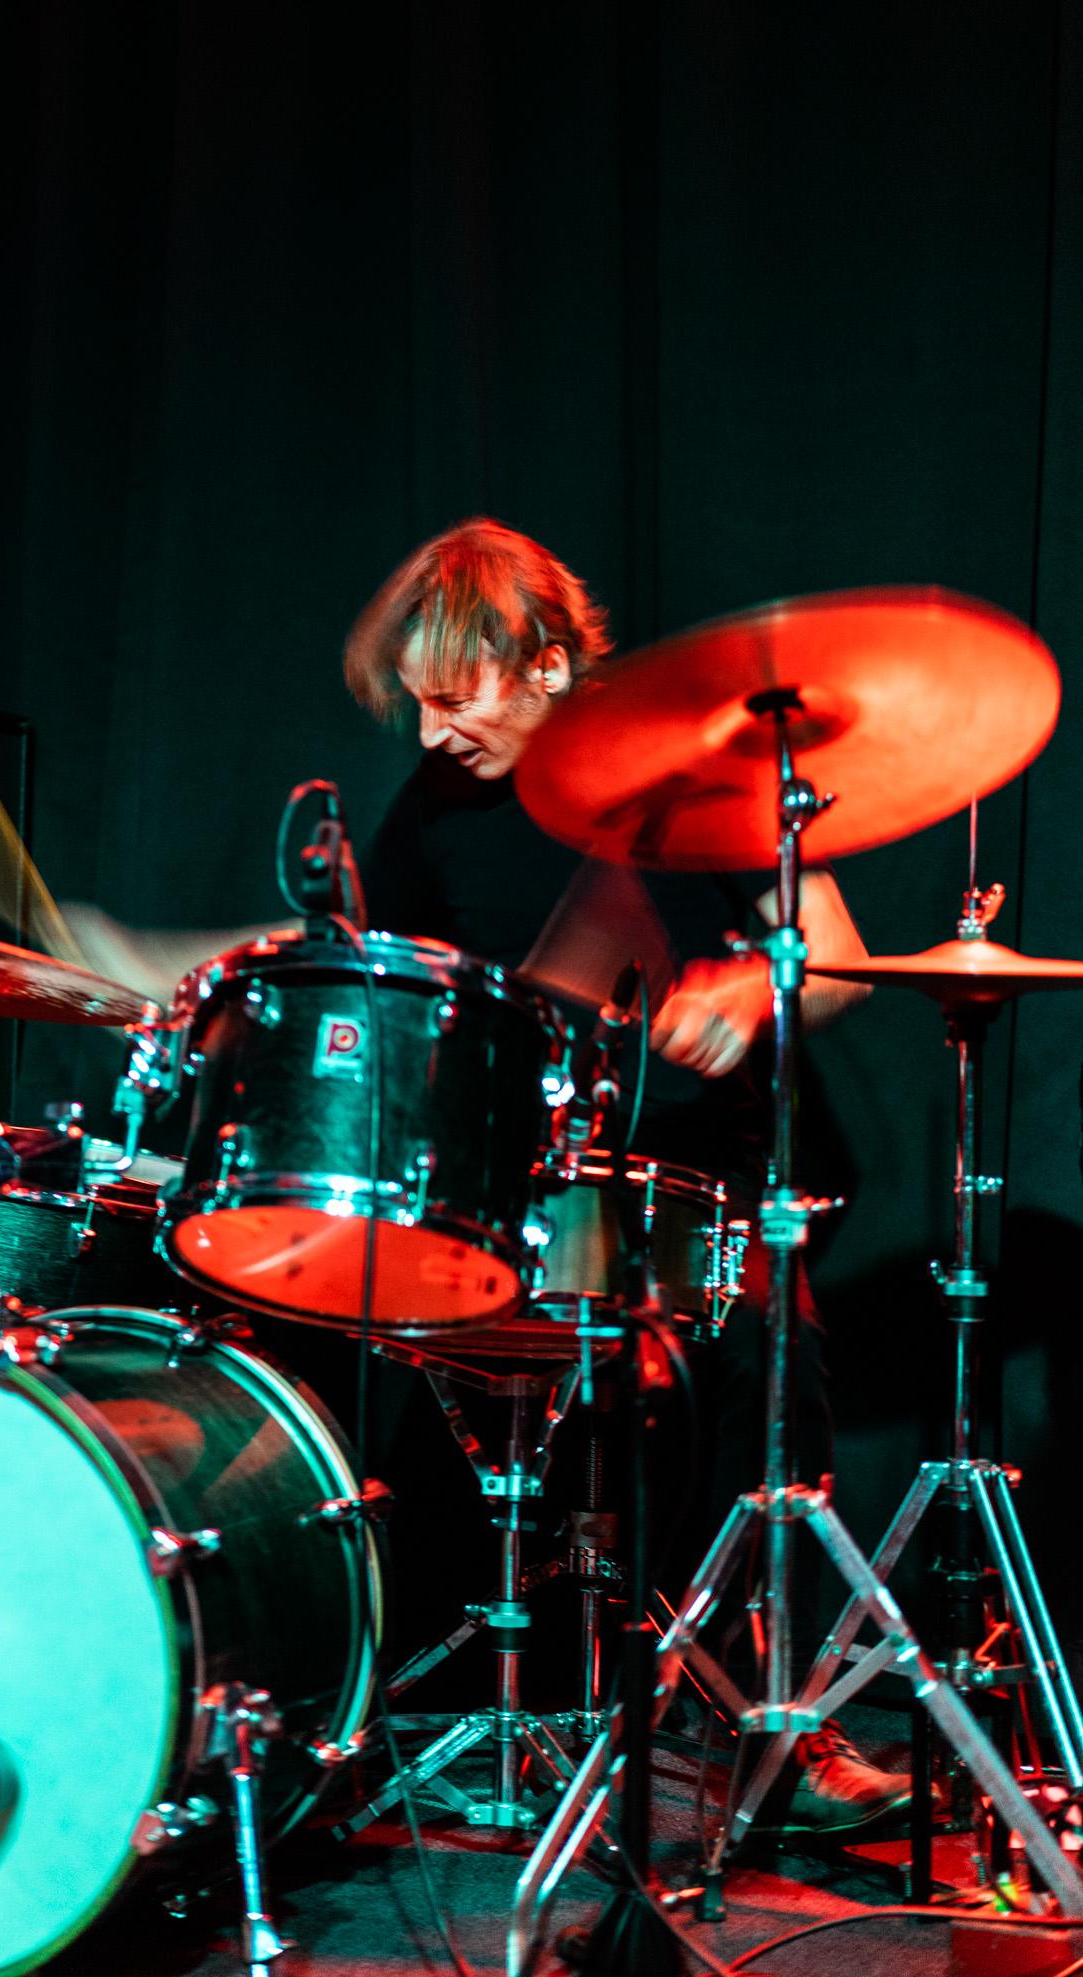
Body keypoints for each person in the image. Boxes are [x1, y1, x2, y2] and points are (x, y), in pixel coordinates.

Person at [342, 515, 909, 1836]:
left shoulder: (686, 767)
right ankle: (417, 1712)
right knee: (419, 1389)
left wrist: (742, 984)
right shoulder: (432, 809)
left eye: (450, 698)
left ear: (543, 661)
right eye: (414, 706)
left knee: (769, 1359)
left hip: (707, 1190)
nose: (429, 735)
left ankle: (767, 1722)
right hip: (539, 1196)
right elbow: (402, 998)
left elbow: (835, 945)